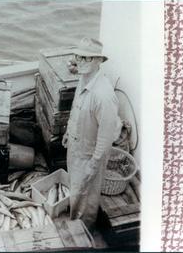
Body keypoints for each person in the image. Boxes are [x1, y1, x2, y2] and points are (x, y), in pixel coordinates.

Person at [62, 37, 122, 229]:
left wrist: (93, 165)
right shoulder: (84, 78)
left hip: (89, 156)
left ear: (99, 61)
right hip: (75, 147)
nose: (80, 61)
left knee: (86, 198)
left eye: (87, 58)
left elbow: (106, 139)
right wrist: (68, 132)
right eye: (78, 56)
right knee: (76, 191)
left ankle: (84, 231)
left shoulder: (103, 96)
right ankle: (74, 224)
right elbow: (76, 108)